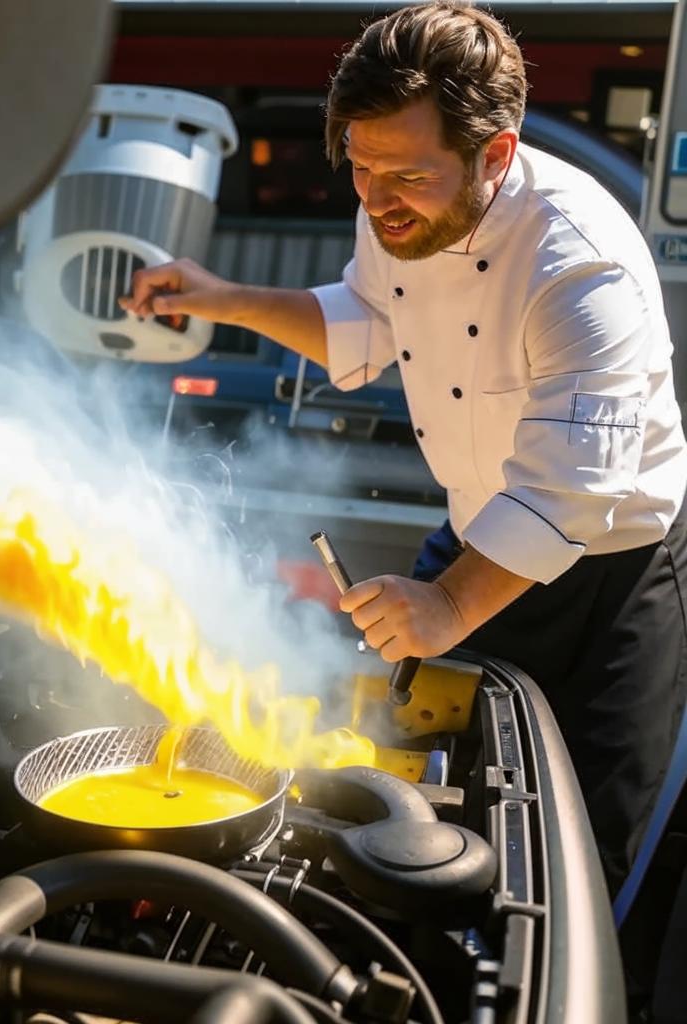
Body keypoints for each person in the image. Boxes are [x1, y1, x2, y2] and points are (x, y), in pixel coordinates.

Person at [119, 0, 687, 896]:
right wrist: (219, 296)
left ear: (494, 154)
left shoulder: (582, 265)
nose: (378, 201)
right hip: (473, 538)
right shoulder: (395, 202)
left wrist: (448, 606)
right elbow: (364, 319)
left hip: (605, 589)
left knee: (584, 869)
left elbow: (574, 490)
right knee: (432, 820)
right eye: (360, 167)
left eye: (406, 178)